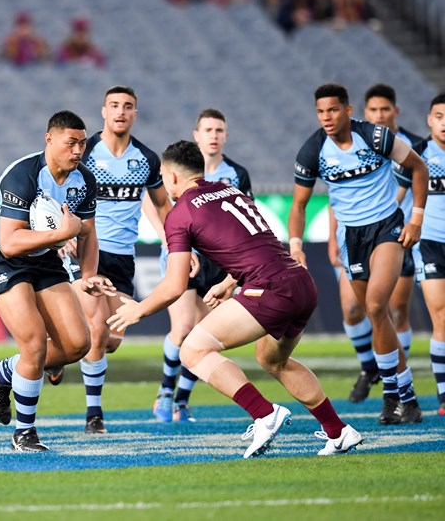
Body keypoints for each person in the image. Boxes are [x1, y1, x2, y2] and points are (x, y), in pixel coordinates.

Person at [108, 140, 363, 458]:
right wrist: (231, 281)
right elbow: (257, 243)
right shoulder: (231, 191)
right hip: (300, 283)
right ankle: (339, 432)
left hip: (269, 288)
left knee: (192, 350)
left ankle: (264, 414)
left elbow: (175, 285)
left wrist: (139, 310)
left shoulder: (180, 213)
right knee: (273, 360)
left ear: (172, 176)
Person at [289, 83, 428, 425]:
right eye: (321, 112)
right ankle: (409, 398)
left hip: (386, 228)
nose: (327, 117)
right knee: (373, 315)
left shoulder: (376, 137)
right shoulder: (313, 151)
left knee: (378, 307)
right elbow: (299, 204)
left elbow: (419, 168)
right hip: (352, 237)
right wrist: (296, 245)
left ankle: (390, 395)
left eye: (333, 110)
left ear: (348, 111)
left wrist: (416, 220)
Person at [0, 110, 113, 452]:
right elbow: (9, 241)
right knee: (35, 343)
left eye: (82, 143)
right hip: (1, 258)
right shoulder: (23, 174)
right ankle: (25, 433)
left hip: (45, 258)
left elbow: (88, 234)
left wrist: (89, 276)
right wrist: (65, 232)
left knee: (79, 343)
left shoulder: (84, 180)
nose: (79, 150)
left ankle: (4, 372)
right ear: (49, 139)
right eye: (71, 142)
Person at [55, 86, 171, 434]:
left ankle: (55, 353)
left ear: (135, 113)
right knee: (95, 328)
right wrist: (61, 235)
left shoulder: (147, 159)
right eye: (115, 105)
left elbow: (163, 204)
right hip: (86, 249)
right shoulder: (84, 153)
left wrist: (177, 243)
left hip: (123, 256)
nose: (121, 111)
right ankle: (94, 415)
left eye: (128, 106)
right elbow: (55, 188)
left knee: (112, 339)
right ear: (103, 111)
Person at [144, 108, 252, 423]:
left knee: (207, 334)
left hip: (219, 261)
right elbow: (150, 201)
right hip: (182, 253)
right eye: (208, 130)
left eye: (219, 130)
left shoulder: (236, 174)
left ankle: (182, 399)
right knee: (182, 327)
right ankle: (164, 392)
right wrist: (168, 240)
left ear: (226, 136)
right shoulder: (177, 169)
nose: (214, 136)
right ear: (197, 136)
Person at [327, 83, 425, 404]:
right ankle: (372, 369)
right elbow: (338, 193)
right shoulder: (351, 142)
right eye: (374, 110)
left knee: (391, 310)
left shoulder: (411, 145)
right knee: (354, 309)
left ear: (395, 112)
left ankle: (397, 384)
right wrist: (333, 236)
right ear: (363, 113)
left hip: (397, 235)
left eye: (385, 109)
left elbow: (413, 181)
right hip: (355, 236)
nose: (379, 115)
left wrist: (417, 221)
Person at [406, 93, 445, 416]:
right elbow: (395, 196)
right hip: (430, 243)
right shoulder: (417, 156)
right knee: (441, 317)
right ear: (429, 120)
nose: (444, 124)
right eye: (439, 116)